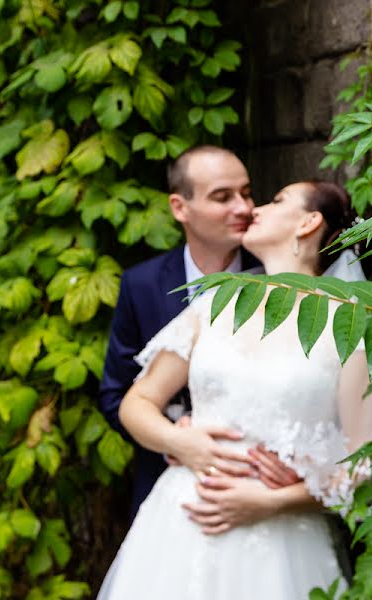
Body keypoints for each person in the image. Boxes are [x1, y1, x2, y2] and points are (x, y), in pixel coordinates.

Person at [97, 181, 372, 599]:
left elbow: (369, 462)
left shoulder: (350, 326)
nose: (256, 208)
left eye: (277, 200)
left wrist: (275, 501)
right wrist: (182, 441)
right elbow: (137, 402)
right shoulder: (214, 302)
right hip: (180, 525)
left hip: (281, 541)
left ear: (309, 222)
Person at [99, 146, 297, 519]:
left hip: (263, 490)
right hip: (170, 490)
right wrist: (174, 439)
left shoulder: (279, 277)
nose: (243, 208)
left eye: (246, 193)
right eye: (222, 197)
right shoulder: (141, 285)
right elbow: (116, 394)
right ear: (180, 208)